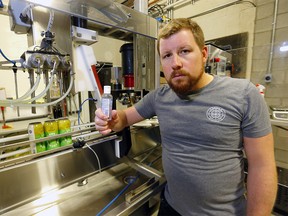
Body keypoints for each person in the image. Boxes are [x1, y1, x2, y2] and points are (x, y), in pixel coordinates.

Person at [95, 18, 277, 216]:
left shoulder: (243, 94)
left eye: (184, 51)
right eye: (166, 55)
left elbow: (262, 167)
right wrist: (110, 119)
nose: (176, 63)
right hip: (171, 208)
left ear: (204, 54)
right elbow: (123, 119)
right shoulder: (159, 97)